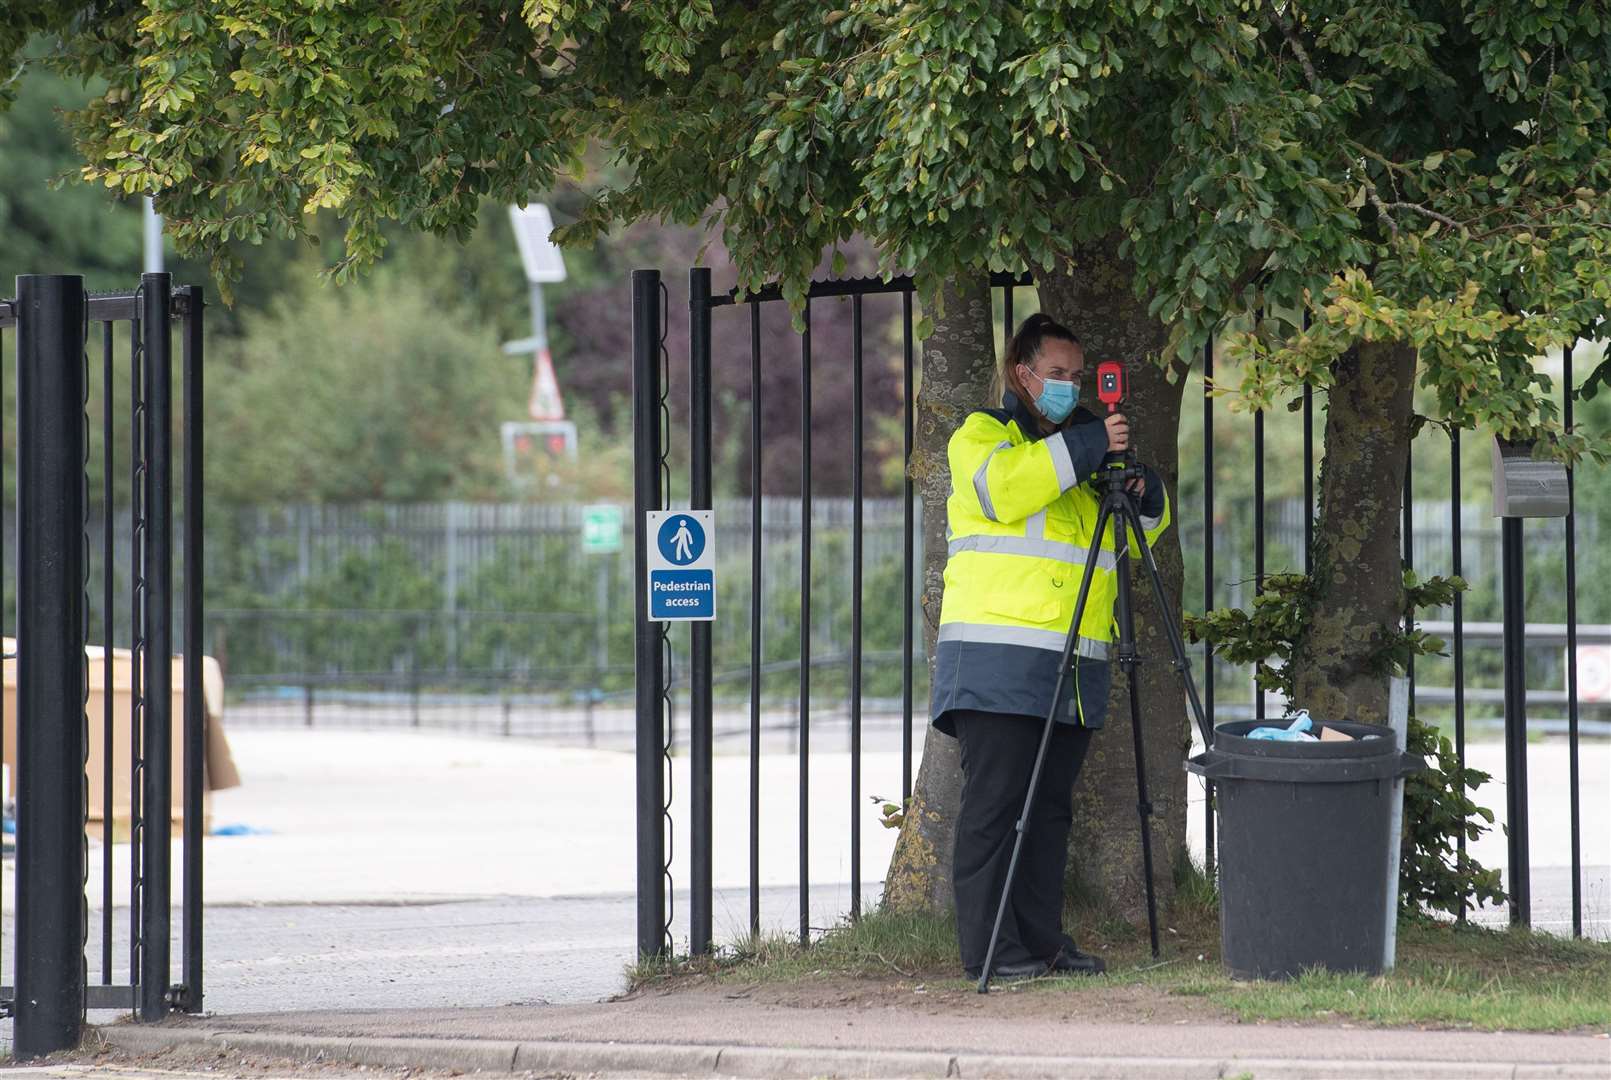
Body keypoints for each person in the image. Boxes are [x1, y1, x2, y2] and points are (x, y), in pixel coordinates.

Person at [930, 312, 1170, 982]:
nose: (1069, 386)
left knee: (1046, 817)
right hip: (997, 661)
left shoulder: (1080, 455)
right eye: (1056, 375)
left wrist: (1142, 493)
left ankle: (1040, 944)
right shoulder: (985, 437)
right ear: (1021, 373)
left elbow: (1131, 540)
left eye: (1077, 376)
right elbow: (1004, 491)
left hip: (1072, 667)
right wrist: (1090, 446)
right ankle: (990, 952)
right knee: (995, 809)